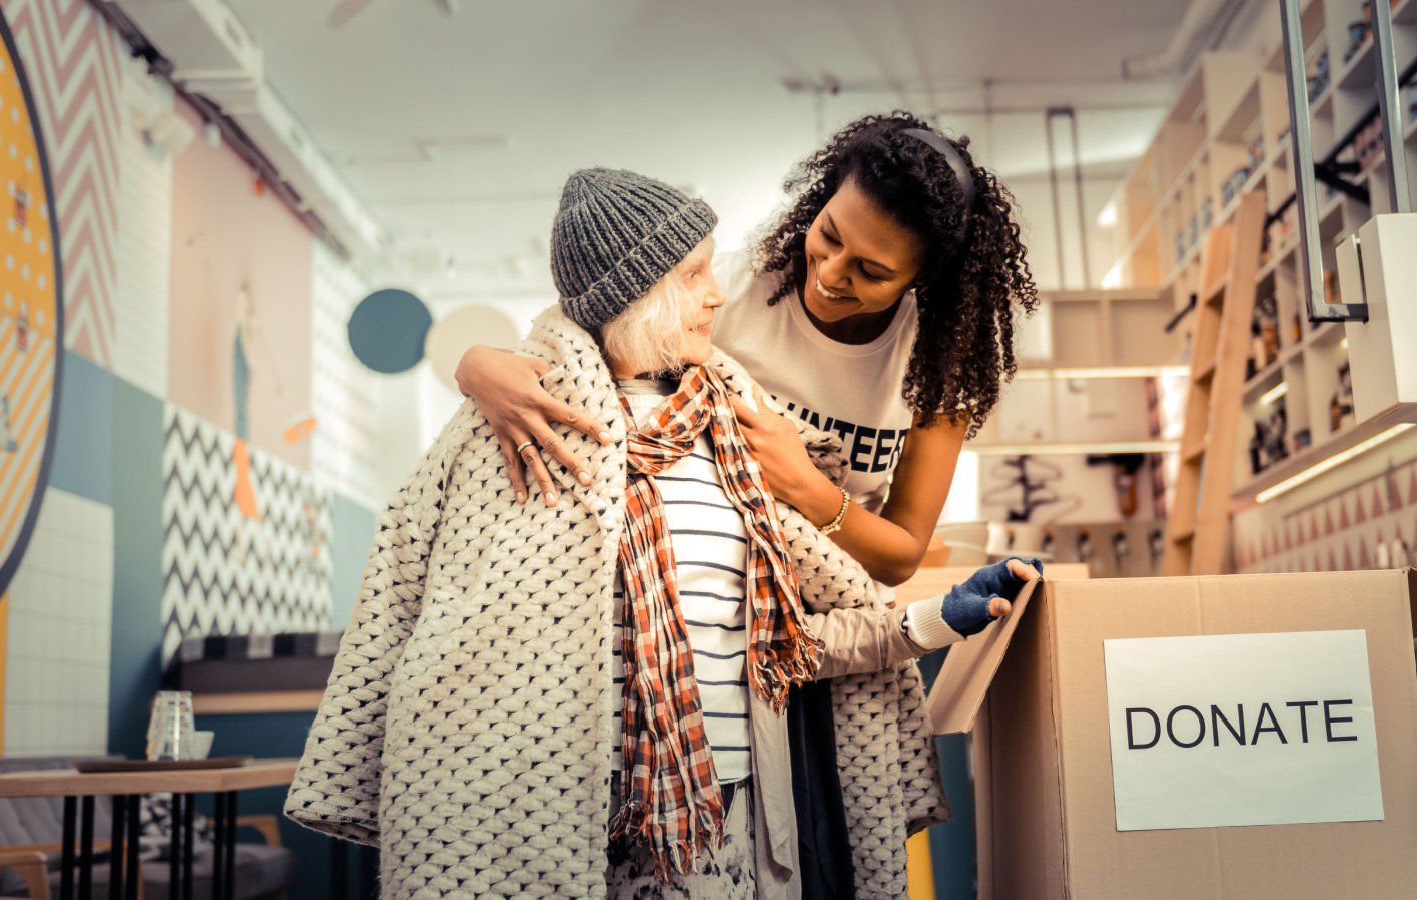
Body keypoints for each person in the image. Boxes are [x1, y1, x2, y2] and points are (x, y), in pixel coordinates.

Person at [285, 168, 1040, 900]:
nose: (715, 292)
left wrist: (936, 616)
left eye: (870, 267)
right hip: (549, 811)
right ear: (640, 295)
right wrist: (473, 362)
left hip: (725, 813)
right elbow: (413, 582)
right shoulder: (525, 432)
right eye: (691, 275)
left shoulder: (742, 440)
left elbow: (786, 644)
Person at [455, 110, 1037, 588]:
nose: (830, 274)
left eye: (871, 270)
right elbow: (581, 334)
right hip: (696, 586)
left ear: (922, 276)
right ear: (822, 201)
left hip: (825, 607)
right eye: (829, 235)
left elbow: (900, 555)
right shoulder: (727, 291)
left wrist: (804, 484)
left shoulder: (939, 369)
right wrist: (476, 365)